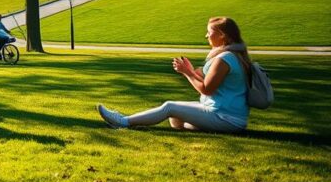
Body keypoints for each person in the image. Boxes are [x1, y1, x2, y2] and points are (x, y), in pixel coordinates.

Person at [97, 17, 251, 133]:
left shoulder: (225, 58)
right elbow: (211, 85)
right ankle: (194, 130)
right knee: (176, 117)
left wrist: (187, 72)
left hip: (226, 118)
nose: (206, 36)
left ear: (222, 35)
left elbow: (206, 90)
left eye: (209, 32)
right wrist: (190, 71)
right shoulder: (232, 55)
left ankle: (123, 121)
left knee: (170, 107)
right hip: (225, 115)